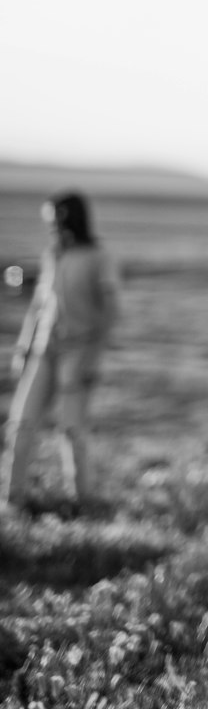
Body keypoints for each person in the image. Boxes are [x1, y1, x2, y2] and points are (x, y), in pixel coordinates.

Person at [0, 192, 120, 511]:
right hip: (43, 350)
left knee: (72, 430)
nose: (50, 226)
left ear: (69, 218)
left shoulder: (98, 257)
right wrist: (24, 346)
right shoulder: (53, 254)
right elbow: (39, 305)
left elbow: (110, 312)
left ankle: (82, 502)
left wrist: (92, 358)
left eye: (54, 219)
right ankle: (13, 502)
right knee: (21, 424)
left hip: (77, 353)